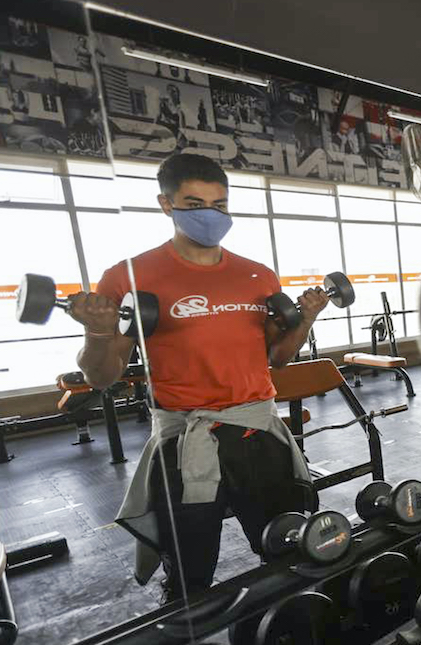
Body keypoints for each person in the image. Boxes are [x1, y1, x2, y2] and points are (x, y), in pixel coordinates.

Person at [68, 153, 330, 603]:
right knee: (189, 574)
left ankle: (299, 637)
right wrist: (96, 329)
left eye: (220, 205)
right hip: (184, 440)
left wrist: (304, 320)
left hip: (256, 433)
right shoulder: (129, 276)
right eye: (195, 204)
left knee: (288, 550)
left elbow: (278, 357)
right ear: (166, 205)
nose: (211, 214)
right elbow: (103, 376)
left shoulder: (257, 275)